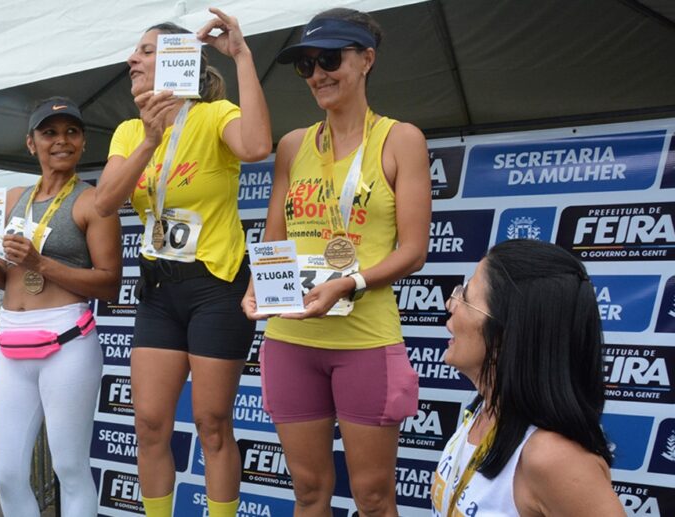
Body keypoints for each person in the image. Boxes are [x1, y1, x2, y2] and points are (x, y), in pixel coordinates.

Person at [241, 8, 431, 516]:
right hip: (291, 340)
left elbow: (413, 250)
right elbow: (274, 237)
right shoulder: (292, 145)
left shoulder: (401, 139)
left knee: (372, 497)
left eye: (329, 59)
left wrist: (349, 283)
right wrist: (258, 285)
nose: (318, 74)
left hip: (365, 341)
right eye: (306, 65)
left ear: (366, 60)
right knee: (307, 493)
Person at [93, 9, 271, 516]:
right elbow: (105, 202)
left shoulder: (213, 117)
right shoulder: (130, 132)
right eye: (135, 52)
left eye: (147, 52)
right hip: (159, 293)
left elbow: (258, 146)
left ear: (177, 62)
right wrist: (150, 140)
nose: (133, 59)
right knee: (149, 423)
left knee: (213, 422)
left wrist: (240, 55)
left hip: (216, 287)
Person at [0, 97, 121, 517]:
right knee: (7, 474)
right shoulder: (13, 197)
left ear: (84, 141)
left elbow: (110, 283)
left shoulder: (93, 202)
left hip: (67, 341)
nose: (61, 141)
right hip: (13, 342)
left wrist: (40, 262)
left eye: (71, 131)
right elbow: (5, 278)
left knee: (70, 468)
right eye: (49, 133)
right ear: (31, 143)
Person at [431, 239, 624, 516]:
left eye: (466, 296)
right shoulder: (484, 412)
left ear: (504, 335)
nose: (451, 303)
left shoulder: (553, 458)